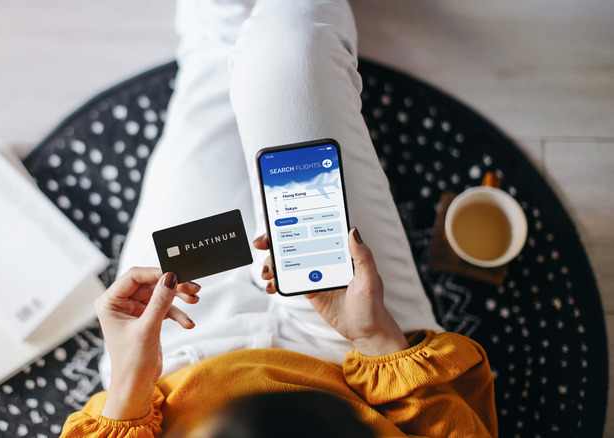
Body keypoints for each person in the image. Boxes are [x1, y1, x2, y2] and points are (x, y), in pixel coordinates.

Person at [60, 0, 497, 436]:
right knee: (294, 42)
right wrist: (376, 336)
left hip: (172, 358)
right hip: (355, 355)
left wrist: (127, 388)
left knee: (213, 56)